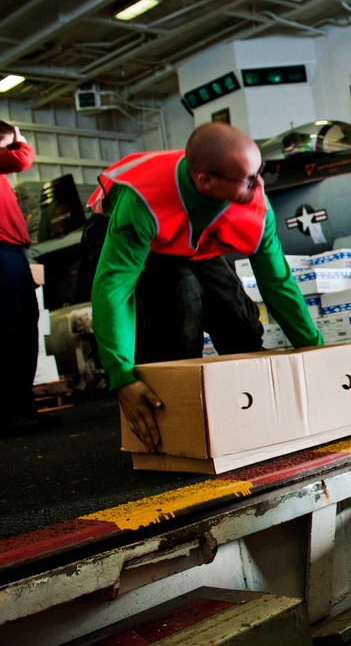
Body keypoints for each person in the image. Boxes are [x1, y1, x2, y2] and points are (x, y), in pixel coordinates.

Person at [84, 122, 322, 452]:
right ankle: (175, 420)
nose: (259, 186)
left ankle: (253, 414)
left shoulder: (253, 202)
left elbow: (277, 283)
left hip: (191, 234)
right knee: (181, 302)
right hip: (129, 233)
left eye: (258, 173)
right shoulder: (142, 205)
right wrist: (121, 376)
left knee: (238, 320)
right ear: (205, 181)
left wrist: (315, 350)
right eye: (248, 179)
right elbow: (113, 290)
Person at [0, 122, 60, 436]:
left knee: (20, 326)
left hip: (10, 250)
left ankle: (19, 407)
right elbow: (22, 159)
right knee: (15, 328)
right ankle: (14, 411)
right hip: (2, 252)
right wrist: (18, 139)